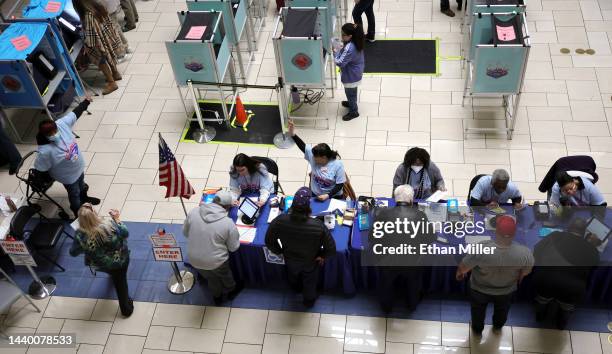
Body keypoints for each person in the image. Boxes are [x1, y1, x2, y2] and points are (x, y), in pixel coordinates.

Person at [456, 215, 534, 336]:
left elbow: (463, 268)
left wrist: (460, 274)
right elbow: (525, 273)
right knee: (502, 311)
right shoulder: (525, 253)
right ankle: (498, 326)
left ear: (496, 231)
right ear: (514, 234)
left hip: (479, 289)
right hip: (506, 291)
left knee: (478, 311)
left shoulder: (481, 248)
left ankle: (477, 330)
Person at [265, 187, 336, 307]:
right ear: (308, 207)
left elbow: (269, 241)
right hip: (310, 261)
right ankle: (309, 301)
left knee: (293, 276)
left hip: (290, 259)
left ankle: (296, 289)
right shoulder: (318, 226)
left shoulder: (279, 220)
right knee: (310, 282)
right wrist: (322, 256)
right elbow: (331, 249)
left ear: (292, 206)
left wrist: (280, 251)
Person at [370, 185, 436, 313]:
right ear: (411, 200)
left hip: (388, 261)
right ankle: (412, 305)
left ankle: (386, 307)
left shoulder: (383, 214)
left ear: (395, 199)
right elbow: (430, 238)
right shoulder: (420, 215)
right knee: (413, 284)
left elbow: (372, 238)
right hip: (413, 262)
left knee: (387, 284)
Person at [34, 97, 100, 218]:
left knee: (82, 185)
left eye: (55, 131)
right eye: (50, 134)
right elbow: (40, 169)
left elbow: (75, 114)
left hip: (78, 166)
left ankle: (85, 199)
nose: (54, 134)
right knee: (74, 194)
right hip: (68, 177)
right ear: (45, 135)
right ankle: (77, 212)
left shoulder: (61, 124)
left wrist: (86, 102)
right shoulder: (44, 151)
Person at [532, 218, 600, 329]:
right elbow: (595, 266)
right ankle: (561, 325)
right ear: (584, 233)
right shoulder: (591, 249)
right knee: (566, 307)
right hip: (572, 289)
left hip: (545, 281)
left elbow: (536, 251)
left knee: (542, 300)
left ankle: (539, 317)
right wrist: (591, 245)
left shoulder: (554, 236)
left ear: (568, 229)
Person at [70, 203, 133, 317]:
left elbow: (73, 252)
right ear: (94, 214)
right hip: (119, 261)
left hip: (100, 264)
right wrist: (117, 218)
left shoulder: (80, 235)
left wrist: (84, 246)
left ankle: (111, 274)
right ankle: (126, 309)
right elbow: (125, 233)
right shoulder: (110, 225)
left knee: (111, 272)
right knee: (121, 285)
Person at [183, 190, 243, 305]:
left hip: (194, 260)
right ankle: (231, 290)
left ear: (214, 201)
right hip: (217, 261)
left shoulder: (194, 212)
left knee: (211, 278)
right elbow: (233, 248)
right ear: (227, 207)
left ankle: (217, 297)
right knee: (225, 275)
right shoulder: (228, 223)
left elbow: (185, 233)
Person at [287, 121, 346, 201]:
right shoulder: (313, 155)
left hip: (333, 196)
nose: (313, 158)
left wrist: (328, 195)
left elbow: (340, 184)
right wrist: (292, 134)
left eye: (316, 157)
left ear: (324, 157)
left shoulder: (338, 165)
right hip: (315, 194)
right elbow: (303, 146)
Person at [73, 0, 123, 95]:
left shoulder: (88, 15)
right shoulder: (97, 6)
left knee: (101, 61)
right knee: (109, 56)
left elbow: (91, 40)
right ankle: (115, 73)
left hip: (98, 44)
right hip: (107, 39)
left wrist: (86, 43)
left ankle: (111, 83)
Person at [334, 23, 365, 121]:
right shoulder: (356, 41)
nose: (341, 36)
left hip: (350, 75)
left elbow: (340, 62)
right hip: (356, 72)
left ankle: (353, 111)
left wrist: (336, 51)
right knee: (352, 91)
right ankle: (352, 102)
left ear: (350, 36)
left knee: (350, 92)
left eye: (343, 35)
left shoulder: (349, 48)